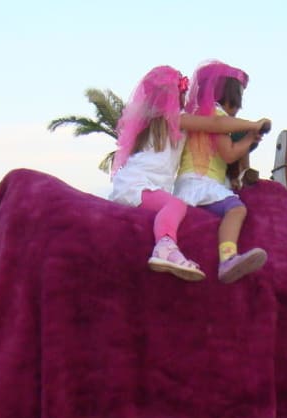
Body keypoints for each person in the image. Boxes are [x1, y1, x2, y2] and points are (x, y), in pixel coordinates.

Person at [109, 65, 270, 282]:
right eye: (181, 94)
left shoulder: (161, 122)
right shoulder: (173, 118)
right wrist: (253, 125)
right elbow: (215, 123)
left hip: (141, 183)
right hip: (138, 184)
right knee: (177, 205)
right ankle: (165, 247)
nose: (185, 98)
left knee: (175, 204)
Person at [174, 60, 267, 283]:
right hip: (201, 182)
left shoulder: (196, 115)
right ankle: (228, 257)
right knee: (236, 209)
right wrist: (250, 134)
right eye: (236, 102)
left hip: (192, 182)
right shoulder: (215, 117)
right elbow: (228, 154)